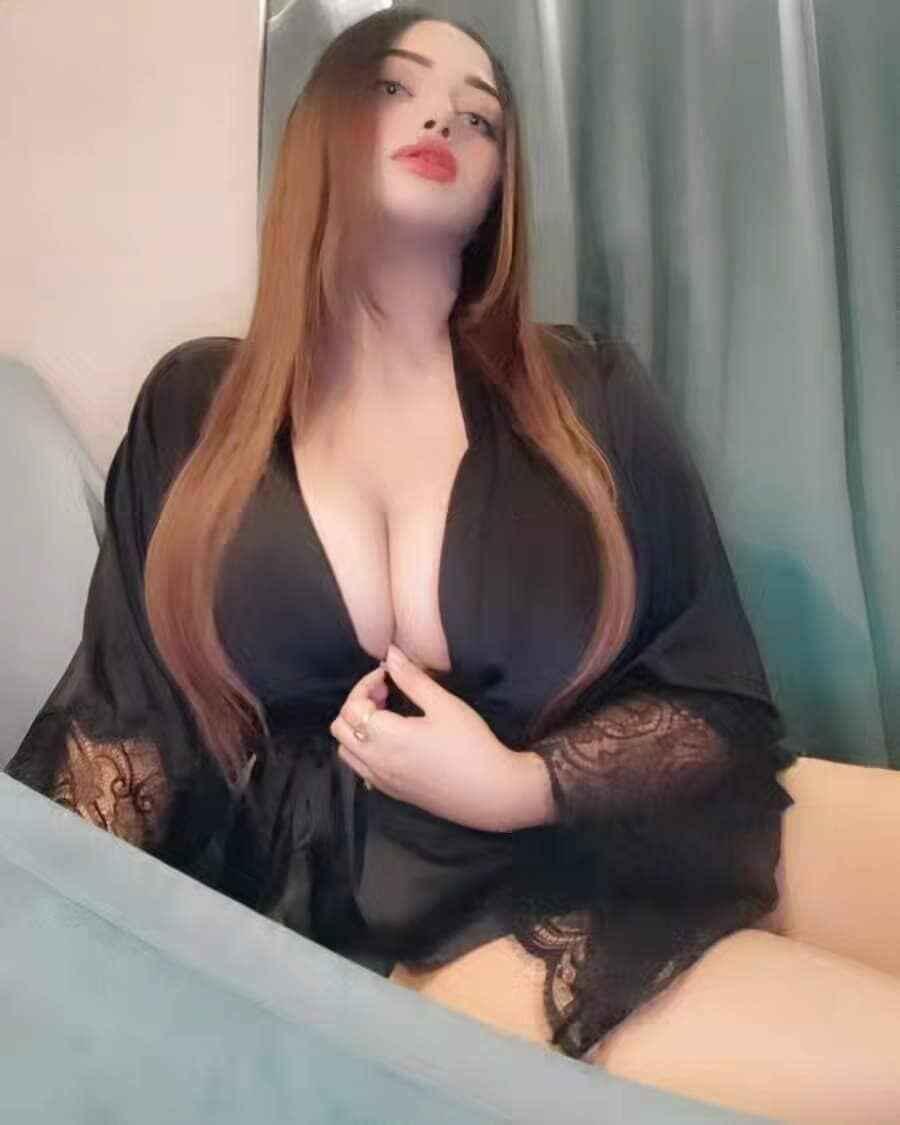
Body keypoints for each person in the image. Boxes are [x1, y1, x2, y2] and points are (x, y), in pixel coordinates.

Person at [8, 9, 900, 1120]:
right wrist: (52, 955)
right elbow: (129, 720)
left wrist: (522, 785)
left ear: (499, 189)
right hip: (413, 905)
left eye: (480, 117)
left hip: (629, 816)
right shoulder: (198, 406)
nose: (443, 119)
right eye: (398, 87)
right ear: (321, 130)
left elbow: (712, 694)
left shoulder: (588, 392)